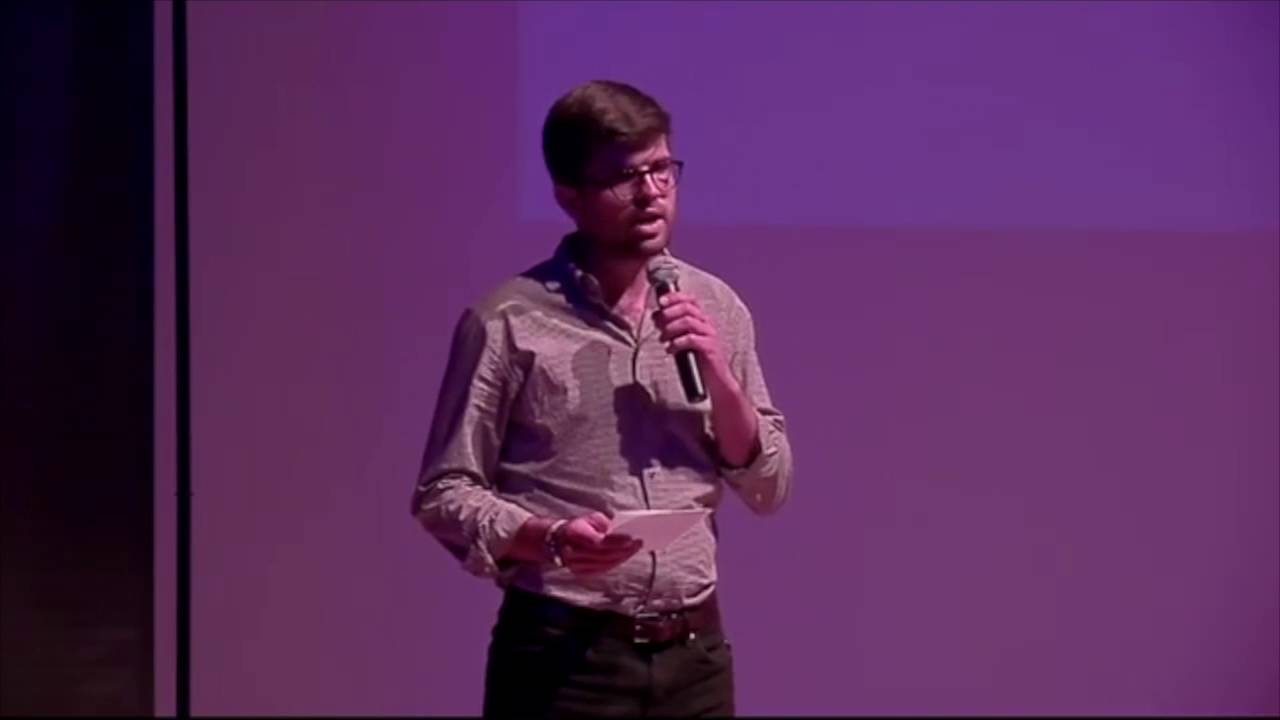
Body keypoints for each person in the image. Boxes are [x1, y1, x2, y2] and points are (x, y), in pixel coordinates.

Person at [411, 79, 794, 718]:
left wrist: (717, 374)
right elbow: (444, 494)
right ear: (569, 196)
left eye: (662, 169)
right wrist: (549, 538)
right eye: (624, 177)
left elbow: (769, 485)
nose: (651, 194)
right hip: (565, 656)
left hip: (695, 655)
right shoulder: (508, 322)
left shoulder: (716, 307)